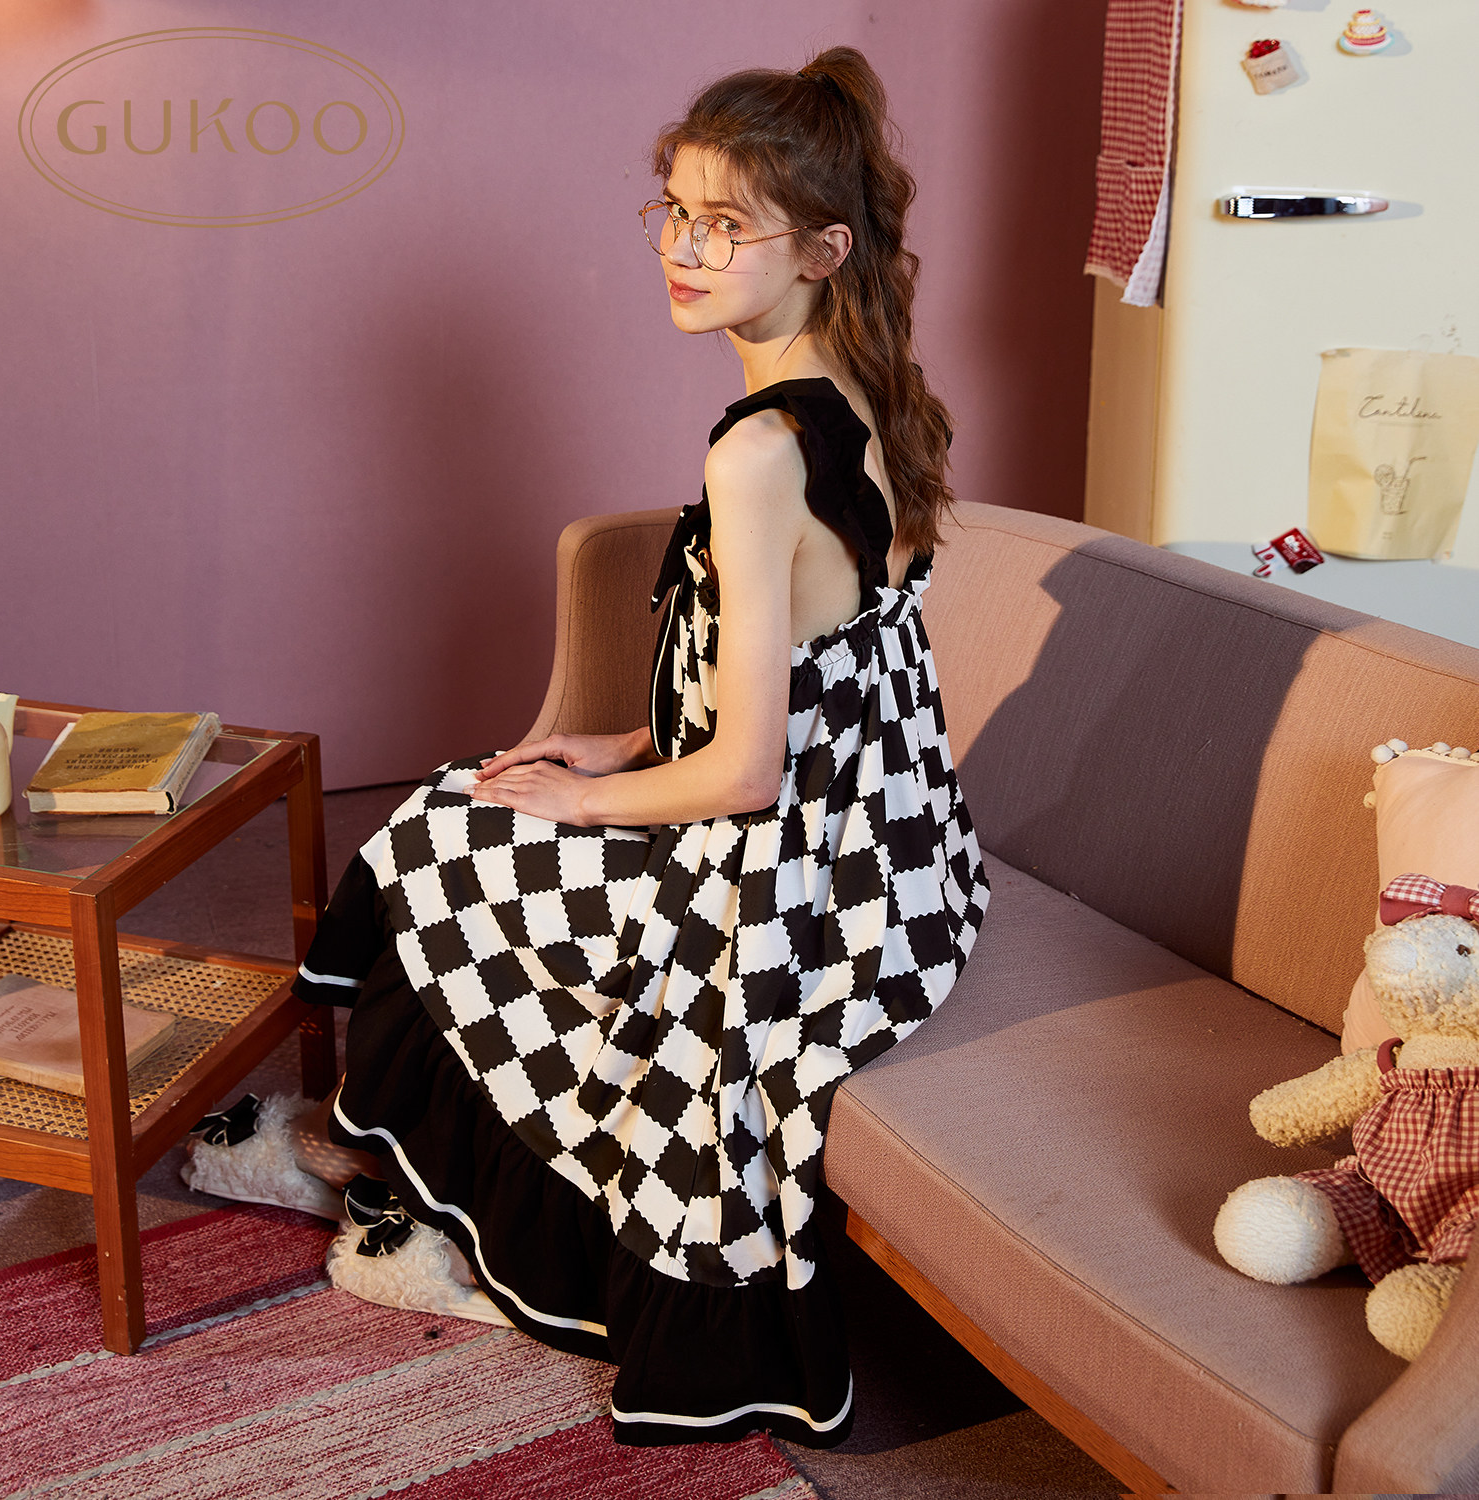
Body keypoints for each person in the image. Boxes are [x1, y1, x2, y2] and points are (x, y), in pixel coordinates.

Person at [183, 45, 988, 1448]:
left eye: (724, 225)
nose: (682, 249)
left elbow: (744, 772)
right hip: (893, 866)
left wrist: (578, 803)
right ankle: (392, 1172)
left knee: (435, 839)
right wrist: (615, 747)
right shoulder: (873, 387)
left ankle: (433, 1217)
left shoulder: (758, 453)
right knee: (489, 803)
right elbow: (829, 674)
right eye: (674, 212)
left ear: (823, 248)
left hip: (779, 888)